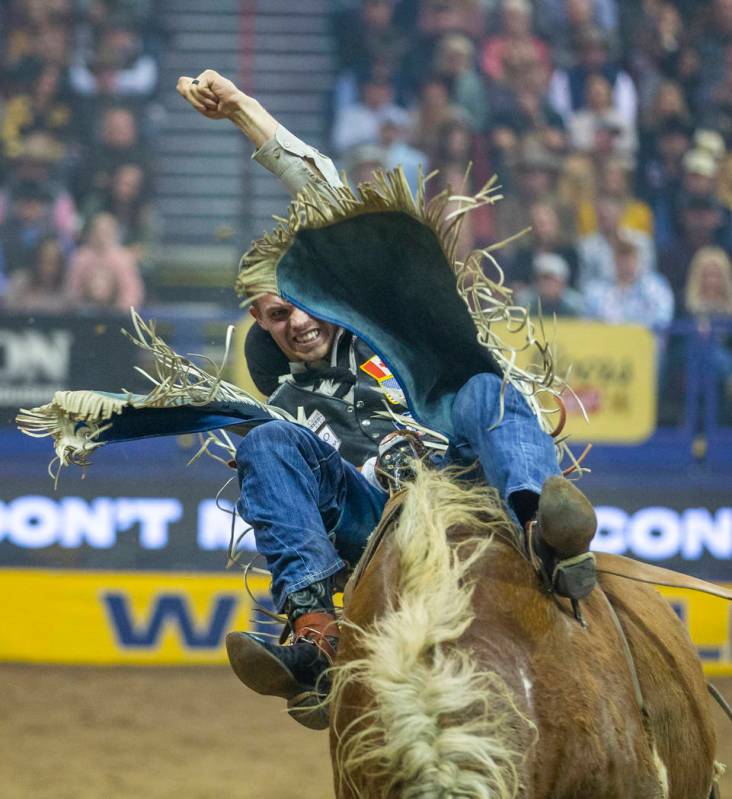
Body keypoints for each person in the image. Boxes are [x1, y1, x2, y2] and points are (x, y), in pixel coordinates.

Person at [175, 69, 598, 726]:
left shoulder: (382, 320)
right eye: (277, 316)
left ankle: (545, 530)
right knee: (263, 442)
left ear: (325, 296)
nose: (298, 323)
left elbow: (319, 180)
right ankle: (316, 632)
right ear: (260, 322)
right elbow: (289, 482)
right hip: (377, 514)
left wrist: (242, 109)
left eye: (301, 306)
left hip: (463, 472)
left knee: (486, 389)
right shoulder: (285, 403)